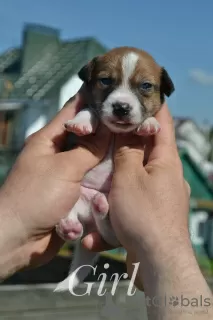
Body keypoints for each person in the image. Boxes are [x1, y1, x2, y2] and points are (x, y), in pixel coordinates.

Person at [0, 92, 212, 319]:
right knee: (79, 208)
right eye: (107, 83)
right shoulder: (93, 112)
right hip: (81, 193)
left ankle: (85, 227)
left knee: (103, 222)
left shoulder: (140, 120)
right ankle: (73, 222)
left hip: (113, 206)